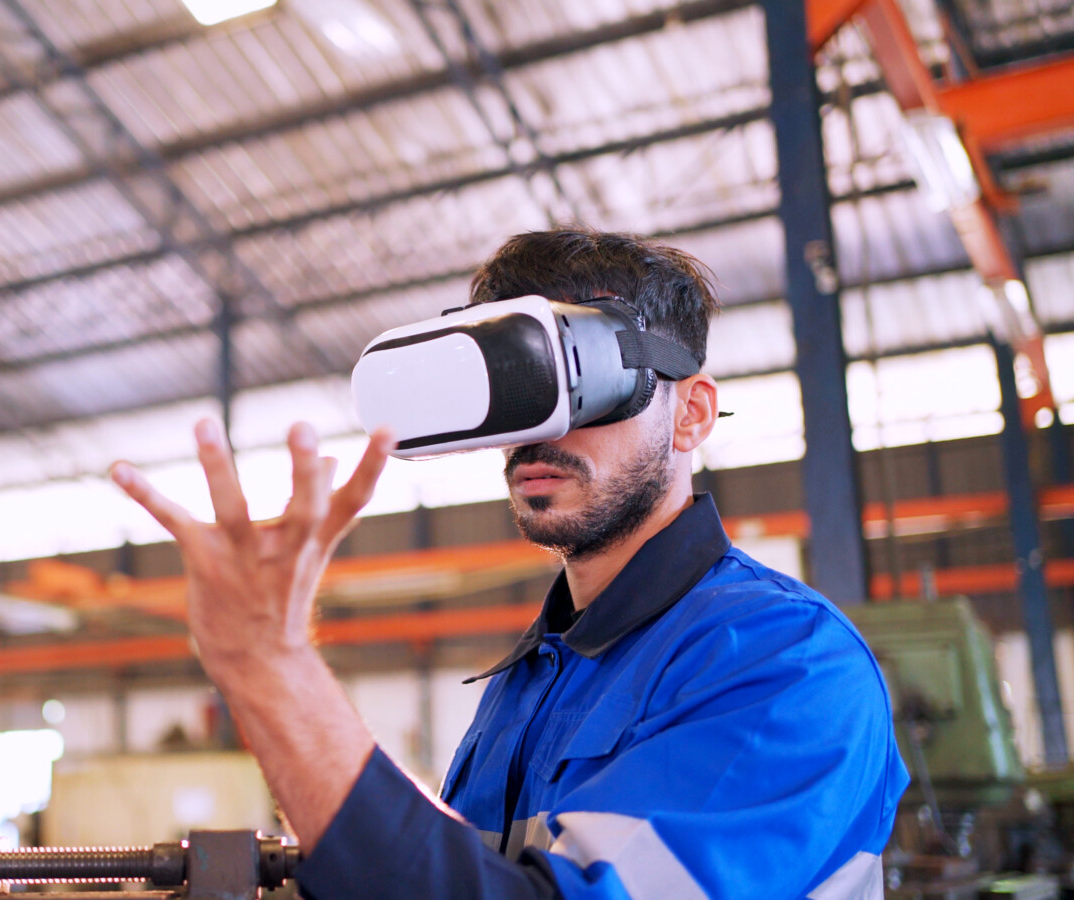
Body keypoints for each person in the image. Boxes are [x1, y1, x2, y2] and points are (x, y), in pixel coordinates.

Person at [109, 229, 908, 899]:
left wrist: (271, 669)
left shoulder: (786, 664)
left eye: (579, 384)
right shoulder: (531, 680)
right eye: (515, 388)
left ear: (691, 414)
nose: (535, 433)